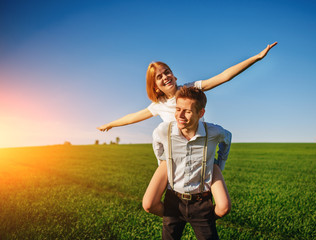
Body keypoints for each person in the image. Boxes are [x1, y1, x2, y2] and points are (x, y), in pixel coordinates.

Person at [97, 42, 277, 218]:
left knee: (223, 207)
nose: (165, 76)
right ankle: (176, 216)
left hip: (202, 154)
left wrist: (257, 57)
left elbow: (224, 76)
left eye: (166, 72)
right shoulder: (158, 105)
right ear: (155, 86)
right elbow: (132, 117)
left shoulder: (190, 89)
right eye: (159, 77)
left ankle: (202, 218)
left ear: (173, 75)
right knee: (149, 203)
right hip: (173, 158)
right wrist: (111, 124)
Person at [153, 86, 231, 240]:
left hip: (201, 203)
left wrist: (219, 165)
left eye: (187, 111)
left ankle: (200, 219)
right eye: (178, 109)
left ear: (200, 113)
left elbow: (227, 138)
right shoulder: (164, 130)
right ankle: (179, 216)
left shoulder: (214, 132)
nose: (180, 115)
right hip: (173, 201)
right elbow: (157, 142)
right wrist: (162, 162)